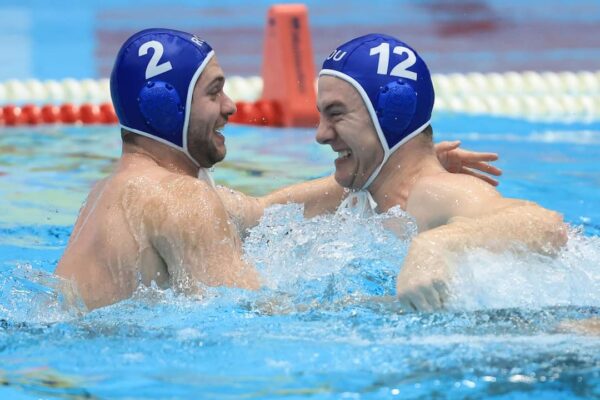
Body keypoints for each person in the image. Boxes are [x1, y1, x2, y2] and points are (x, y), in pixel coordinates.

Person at [56, 29, 501, 310]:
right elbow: (251, 317)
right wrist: (387, 307)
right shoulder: (180, 198)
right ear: (165, 107)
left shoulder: (110, 192)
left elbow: (264, 212)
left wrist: (392, 164)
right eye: (213, 92)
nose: (231, 106)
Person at [315, 33, 568, 311]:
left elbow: (547, 225)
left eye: (336, 114)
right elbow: (272, 207)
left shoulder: (437, 192)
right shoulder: (364, 196)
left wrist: (436, 245)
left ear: (392, 116)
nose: (321, 135)